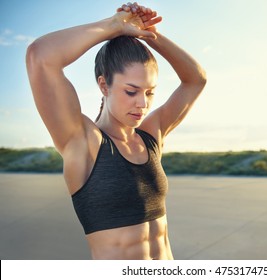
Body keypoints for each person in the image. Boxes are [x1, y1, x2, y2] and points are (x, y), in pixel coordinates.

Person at [26, 2, 206, 260]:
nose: (142, 104)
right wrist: (113, 26)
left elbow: (196, 80)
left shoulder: (151, 136)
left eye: (150, 92)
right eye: (131, 91)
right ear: (104, 85)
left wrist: (148, 32)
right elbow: (40, 56)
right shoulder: (82, 141)